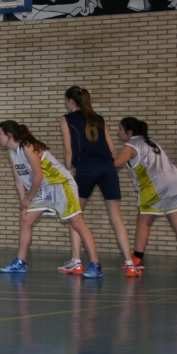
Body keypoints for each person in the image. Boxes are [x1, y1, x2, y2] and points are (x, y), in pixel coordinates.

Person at [0, 120, 103, 278]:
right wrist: (23, 203)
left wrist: (29, 198)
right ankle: (20, 262)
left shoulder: (28, 147)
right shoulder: (12, 152)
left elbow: (38, 175)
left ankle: (95, 265)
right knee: (25, 220)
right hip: (42, 189)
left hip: (60, 184)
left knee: (77, 224)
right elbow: (18, 179)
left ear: (9, 134)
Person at [59, 86, 141, 277]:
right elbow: (112, 149)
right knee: (116, 218)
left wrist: (68, 170)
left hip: (86, 168)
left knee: (74, 215)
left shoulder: (67, 119)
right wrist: (106, 166)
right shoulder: (99, 119)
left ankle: (77, 261)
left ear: (71, 101)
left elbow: (68, 150)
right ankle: (130, 264)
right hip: (107, 168)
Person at [114, 117, 177, 272]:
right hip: (175, 183)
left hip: (154, 186)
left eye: (120, 129)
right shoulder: (151, 142)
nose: (118, 132)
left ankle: (137, 259)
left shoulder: (130, 146)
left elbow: (115, 164)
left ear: (129, 131)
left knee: (144, 222)